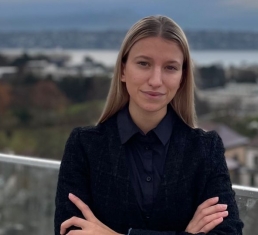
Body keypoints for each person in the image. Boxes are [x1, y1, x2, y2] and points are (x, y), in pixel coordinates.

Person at [54, 15, 244, 235]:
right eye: (144, 64)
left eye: (170, 68)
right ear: (123, 70)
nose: (156, 80)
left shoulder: (205, 149)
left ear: (182, 77)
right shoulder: (84, 146)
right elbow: (69, 232)